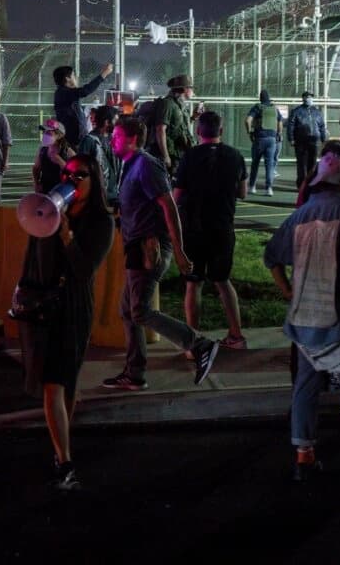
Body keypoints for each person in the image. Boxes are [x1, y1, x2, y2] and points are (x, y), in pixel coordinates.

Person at [264, 152, 340, 482]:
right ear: (338, 181)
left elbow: (272, 256)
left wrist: (288, 291)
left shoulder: (300, 215)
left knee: (305, 388)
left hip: (306, 319)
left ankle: (303, 456)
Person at [15, 154, 114, 491]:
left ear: (94, 180)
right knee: (53, 382)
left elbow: (85, 271)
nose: (72, 180)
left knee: (65, 381)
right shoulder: (48, 208)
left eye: (80, 175)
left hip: (72, 306)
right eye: (67, 173)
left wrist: (68, 237)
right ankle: (65, 459)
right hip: (42, 303)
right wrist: (21, 288)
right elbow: (32, 252)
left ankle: (61, 450)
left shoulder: (101, 222)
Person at [101, 116, 220, 390]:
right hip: (135, 246)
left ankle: (199, 344)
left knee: (140, 311)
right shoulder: (130, 166)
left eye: (117, 136)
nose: (112, 140)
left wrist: (179, 251)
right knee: (128, 311)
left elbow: (169, 206)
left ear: (132, 140)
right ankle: (134, 373)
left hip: (149, 247)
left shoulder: (145, 165)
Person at [174, 111, 248, 350]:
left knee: (194, 284)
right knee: (223, 281)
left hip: (195, 227)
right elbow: (242, 192)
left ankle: (193, 341)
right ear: (221, 131)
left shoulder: (189, 157)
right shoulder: (235, 156)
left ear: (198, 132)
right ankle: (236, 335)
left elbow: (177, 194)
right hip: (223, 226)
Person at [53, 63, 113, 147]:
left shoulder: (67, 94)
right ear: (67, 78)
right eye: (73, 75)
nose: (75, 78)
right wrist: (104, 74)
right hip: (72, 140)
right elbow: (85, 91)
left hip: (76, 139)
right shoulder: (64, 93)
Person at [149, 75, 195, 178]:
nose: (193, 91)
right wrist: (166, 156)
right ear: (184, 89)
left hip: (177, 154)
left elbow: (178, 127)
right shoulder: (167, 104)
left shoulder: (179, 105)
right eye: (191, 88)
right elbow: (160, 129)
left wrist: (193, 118)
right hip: (170, 155)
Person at [244, 89, 283, 196]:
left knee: (255, 164)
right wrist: (278, 134)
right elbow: (280, 123)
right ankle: (269, 188)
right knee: (270, 165)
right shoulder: (275, 109)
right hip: (272, 140)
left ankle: (252, 187)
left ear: (260, 98)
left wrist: (250, 132)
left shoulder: (257, 107)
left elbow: (247, 120)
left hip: (259, 138)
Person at [287, 90, 327, 189]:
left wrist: (323, 139)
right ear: (303, 98)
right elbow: (290, 126)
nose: (310, 98)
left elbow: (322, 126)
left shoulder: (317, 112)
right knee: (301, 164)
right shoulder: (296, 111)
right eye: (308, 96)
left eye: (311, 97)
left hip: (314, 141)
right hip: (301, 141)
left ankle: (310, 184)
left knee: (312, 164)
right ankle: (301, 185)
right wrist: (291, 138)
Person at [82, 105, 120, 206]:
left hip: (113, 195)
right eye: (115, 121)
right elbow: (81, 168)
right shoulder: (89, 140)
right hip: (96, 198)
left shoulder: (114, 139)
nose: (117, 125)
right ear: (107, 122)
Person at [32, 119, 75, 195]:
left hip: (62, 193)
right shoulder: (42, 150)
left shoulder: (67, 152)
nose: (45, 135)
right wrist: (36, 183)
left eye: (49, 132)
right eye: (44, 132)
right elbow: (36, 168)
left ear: (59, 135)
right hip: (45, 190)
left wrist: (59, 160)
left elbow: (75, 173)